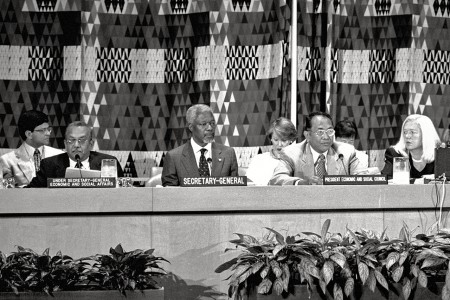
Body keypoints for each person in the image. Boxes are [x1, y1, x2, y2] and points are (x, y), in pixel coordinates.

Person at [269, 111, 365, 185]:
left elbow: (363, 178)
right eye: (320, 132)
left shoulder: (345, 152)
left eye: (330, 131)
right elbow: (277, 179)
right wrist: (301, 183)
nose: (326, 137)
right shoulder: (292, 153)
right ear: (307, 135)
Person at [27, 121, 124, 187]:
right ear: (65, 143)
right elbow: (31, 193)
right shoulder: (49, 165)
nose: (76, 145)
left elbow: (124, 191)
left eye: (81, 140)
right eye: (71, 140)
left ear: (91, 144)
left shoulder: (108, 163)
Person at [161, 104, 239, 186]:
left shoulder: (228, 154)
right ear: (191, 127)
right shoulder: (174, 157)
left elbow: (235, 191)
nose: (210, 128)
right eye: (203, 124)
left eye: (212, 123)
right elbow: (169, 195)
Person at [0, 110, 64, 187]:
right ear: (29, 134)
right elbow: (8, 193)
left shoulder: (59, 155)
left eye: (48, 129)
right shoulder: (7, 161)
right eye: (43, 130)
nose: (48, 133)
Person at [381, 114, 441, 180]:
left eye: (413, 132)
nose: (407, 136)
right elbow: (385, 180)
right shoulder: (395, 154)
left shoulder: (440, 155)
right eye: (405, 132)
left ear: (426, 135)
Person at [246, 117, 297, 185]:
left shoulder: (297, 161)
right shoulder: (258, 159)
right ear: (271, 138)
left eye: (284, 140)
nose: (279, 144)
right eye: (276, 139)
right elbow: (248, 184)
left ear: (291, 140)